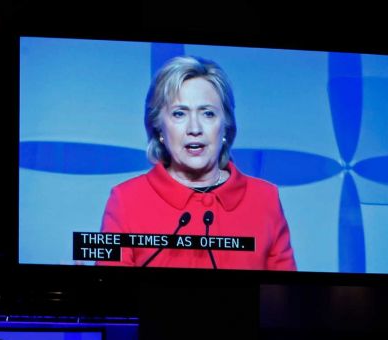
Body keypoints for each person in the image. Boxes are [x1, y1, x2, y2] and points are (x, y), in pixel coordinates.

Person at [98, 55, 296, 270]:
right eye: (179, 114)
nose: (195, 128)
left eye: (208, 114)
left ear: (225, 125)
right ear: (158, 127)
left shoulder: (265, 199)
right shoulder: (126, 200)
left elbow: (283, 299)